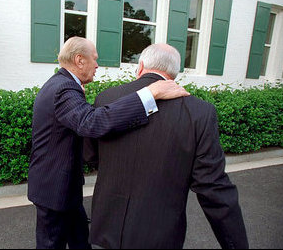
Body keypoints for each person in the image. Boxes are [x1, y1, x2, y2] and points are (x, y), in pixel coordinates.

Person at [27, 37, 190, 249]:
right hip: (54, 190)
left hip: (62, 186)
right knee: (51, 244)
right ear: (79, 60)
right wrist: (150, 93)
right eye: (94, 59)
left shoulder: (62, 85)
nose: (97, 65)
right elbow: (92, 123)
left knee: (80, 238)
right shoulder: (64, 89)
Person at [84, 43, 249, 249]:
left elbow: (90, 155)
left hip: (107, 228)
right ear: (174, 74)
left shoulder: (106, 98)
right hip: (159, 235)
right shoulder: (199, 113)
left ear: (140, 66)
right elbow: (212, 187)